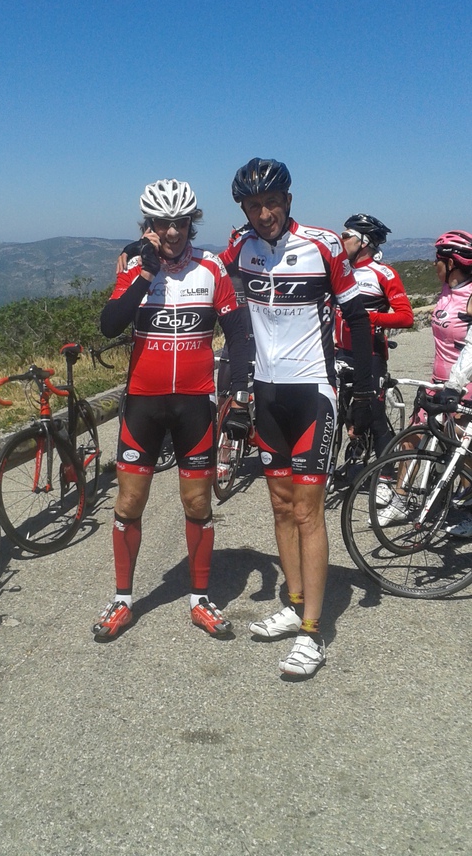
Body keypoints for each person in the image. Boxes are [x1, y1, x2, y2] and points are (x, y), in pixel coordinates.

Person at [219, 158, 375, 677]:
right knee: (281, 507)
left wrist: (364, 390)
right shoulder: (240, 248)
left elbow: (356, 316)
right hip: (267, 396)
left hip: (313, 393)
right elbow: (201, 269)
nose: (264, 213)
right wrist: (143, 253)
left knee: (308, 512)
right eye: (253, 205)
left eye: (272, 202)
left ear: (288, 200)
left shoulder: (323, 245)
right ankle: (293, 601)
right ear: (243, 208)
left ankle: (312, 632)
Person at [93, 179, 251, 640]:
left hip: (194, 405)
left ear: (191, 223)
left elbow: (239, 337)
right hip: (144, 403)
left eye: (180, 222)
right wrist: (144, 272)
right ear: (150, 226)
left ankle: (200, 598)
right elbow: (109, 325)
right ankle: (123, 599)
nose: (173, 231)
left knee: (198, 503)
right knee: (128, 503)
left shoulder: (212, 268)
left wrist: (239, 395)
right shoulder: (134, 269)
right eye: (163, 223)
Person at [378, 230, 472, 530]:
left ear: (452, 263)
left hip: (465, 387)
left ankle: (468, 508)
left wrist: (458, 384)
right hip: (438, 382)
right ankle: (400, 499)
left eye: (438, 259)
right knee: (413, 437)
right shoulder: (446, 290)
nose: (433, 264)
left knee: (461, 450)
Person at [335, 214, 414, 460]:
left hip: (370, 354)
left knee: (375, 417)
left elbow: (406, 317)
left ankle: (386, 473)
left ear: (364, 242)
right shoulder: (338, 271)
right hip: (340, 351)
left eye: (346, 236)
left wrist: (369, 319)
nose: (341, 239)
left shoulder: (384, 274)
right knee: (334, 412)